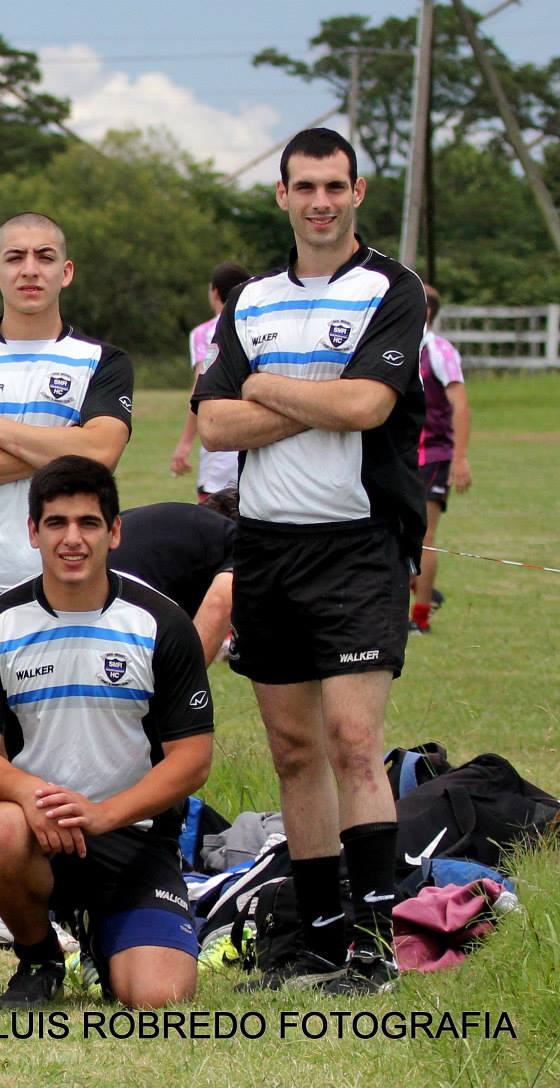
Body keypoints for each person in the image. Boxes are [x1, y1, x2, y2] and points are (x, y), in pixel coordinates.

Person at [194, 127, 426, 995]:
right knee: (293, 752)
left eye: (336, 186)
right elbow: (214, 424)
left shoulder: (390, 290)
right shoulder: (250, 299)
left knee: (356, 742)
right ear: (283, 196)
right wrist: (316, 397)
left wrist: (265, 385)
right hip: (266, 545)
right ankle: (320, 938)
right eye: (305, 187)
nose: (321, 202)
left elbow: (369, 404)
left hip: (359, 545)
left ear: (358, 192)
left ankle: (377, 947)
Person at [0, 456, 214, 1009]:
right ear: (32, 532)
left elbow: (191, 760)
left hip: (134, 837)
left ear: (114, 531)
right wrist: (35, 797)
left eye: (89, 523)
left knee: (159, 998)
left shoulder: (161, 624)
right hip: (35, 830)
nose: (73, 539)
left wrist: (103, 814)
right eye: (56, 523)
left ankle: (102, 935)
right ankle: (39, 954)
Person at [0, 212, 134, 715]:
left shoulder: (103, 360)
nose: (30, 269)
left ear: (67, 271)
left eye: (45, 256)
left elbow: (101, 454)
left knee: (78, 739)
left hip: (78, 588)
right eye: (15, 258)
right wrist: (65, 444)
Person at [411, 284, 473, 635]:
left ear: (426, 312)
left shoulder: (439, 350)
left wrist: (459, 458)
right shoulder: (397, 346)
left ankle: (420, 617)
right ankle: (421, 588)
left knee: (425, 537)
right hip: (400, 457)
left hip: (433, 454)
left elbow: (461, 406)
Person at [109, 496, 238, 664]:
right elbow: (221, 602)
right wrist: (187, 684)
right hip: (119, 605)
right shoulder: (235, 537)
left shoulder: (181, 527)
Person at [171, 262, 254, 498]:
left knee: (216, 518)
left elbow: (202, 386)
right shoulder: (260, 324)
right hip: (259, 445)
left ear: (215, 292)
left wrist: (185, 442)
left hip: (221, 444)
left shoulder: (206, 332)